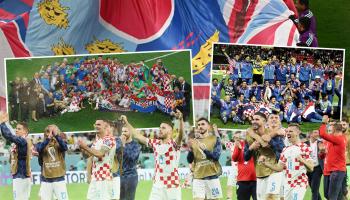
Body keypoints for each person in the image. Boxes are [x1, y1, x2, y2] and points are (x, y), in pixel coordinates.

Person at [123, 110, 184, 200]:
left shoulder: (174, 144)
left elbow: (180, 135)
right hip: (157, 186)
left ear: (170, 131)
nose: (160, 129)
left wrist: (181, 120)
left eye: (163, 128)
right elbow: (137, 135)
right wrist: (126, 122)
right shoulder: (155, 143)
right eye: (160, 128)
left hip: (172, 186)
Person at [259, 124, 314, 200]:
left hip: (300, 182)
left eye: (291, 131)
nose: (288, 133)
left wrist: (302, 160)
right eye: (287, 131)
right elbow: (279, 168)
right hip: (288, 183)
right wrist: (266, 163)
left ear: (298, 132)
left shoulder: (305, 147)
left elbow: (311, 168)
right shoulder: (285, 149)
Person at [244, 112, 285, 200]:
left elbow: (282, 150)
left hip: (274, 172)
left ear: (264, 121)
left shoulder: (273, 133)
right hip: (260, 173)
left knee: (271, 198)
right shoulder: (249, 135)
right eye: (253, 119)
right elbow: (245, 157)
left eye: (257, 119)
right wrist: (251, 148)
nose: (254, 121)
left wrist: (270, 141)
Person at [78, 119, 116, 200]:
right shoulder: (96, 141)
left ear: (105, 127)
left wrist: (85, 147)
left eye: (99, 124)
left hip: (104, 177)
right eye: (95, 124)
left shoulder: (109, 139)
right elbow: (90, 157)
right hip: (95, 178)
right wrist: (83, 149)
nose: (96, 126)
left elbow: (100, 154)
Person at [187, 118, 223, 200]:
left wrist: (204, 150)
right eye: (198, 125)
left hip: (212, 176)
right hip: (198, 177)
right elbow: (189, 160)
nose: (200, 126)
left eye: (203, 124)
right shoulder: (194, 141)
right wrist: (190, 149)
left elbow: (216, 157)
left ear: (209, 126)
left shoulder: (215, 139)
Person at [0, 112, 32, 200]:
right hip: (23, 176)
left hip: (20, 177)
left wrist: (2, 123)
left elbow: (9, 136)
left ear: (25, 131)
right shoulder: (21, 141)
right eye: (16, 128)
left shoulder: (23, 141)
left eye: (19, 129)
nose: (16, 130)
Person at [36, 124, 69, 200]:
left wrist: (57, 136)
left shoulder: (60, 144)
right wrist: (48, 139)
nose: (50, 133)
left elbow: (65, 147)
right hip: (46, 179)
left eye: (53, 131)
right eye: (48, 131)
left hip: (59, 178)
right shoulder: (40, 144)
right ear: (44, 133)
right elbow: (39, 156)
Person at [319, 116, 347, 200]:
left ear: (334, 130)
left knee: (333, 197)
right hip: (329, 170)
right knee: (329, 196)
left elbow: (322, 134)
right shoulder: (330, 141)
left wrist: (323, 123)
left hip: (337, 170)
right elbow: (323, 156)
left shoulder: (338, 139)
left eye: (330, 130)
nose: (329, 132)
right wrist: (322, 152)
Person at [116, 125, 141, 200]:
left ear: (131, 132)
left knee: (129, 198)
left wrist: (123, 145)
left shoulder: (136, 145)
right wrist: (121, 144)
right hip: (118, 176)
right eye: (122, 131)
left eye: (125, 131)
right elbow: (114, 154)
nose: (123, 133)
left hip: (131, 176)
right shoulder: (117, 142)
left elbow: (131, 157)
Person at [231, 131, 256, 200]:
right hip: (242, 180)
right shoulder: (240, 144)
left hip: (256, 180)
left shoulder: (257, 145)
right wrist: (239, 148)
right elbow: (234, 158)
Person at [307, 130, 324, 200]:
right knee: (313, 189)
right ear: (310, 134)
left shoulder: (321, 143)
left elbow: (323, 154)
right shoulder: (305, 144)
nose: (318, 134)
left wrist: (322, 151)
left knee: (314, 189)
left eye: (318, 132)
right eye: (315, 132)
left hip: (317, 168)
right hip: (307, 169)